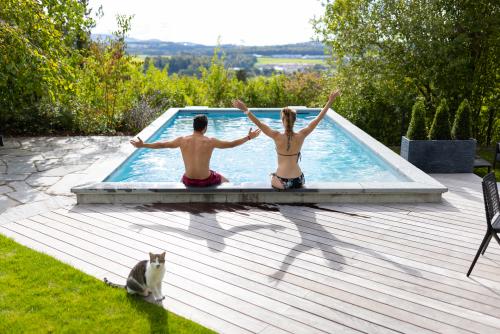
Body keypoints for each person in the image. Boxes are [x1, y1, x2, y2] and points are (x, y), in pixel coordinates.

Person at [232, 89, 341, 190]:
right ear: (295, 120)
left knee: (271, 175)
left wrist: (245, 110)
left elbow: (258, 123)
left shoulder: (276, 136)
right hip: (299, 180)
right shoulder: (302, 134)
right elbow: (318, 118)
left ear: (282, 120)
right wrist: (330, 101)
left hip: (282, 182)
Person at [130, 114, 261, 187]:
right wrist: (249, 137)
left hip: (189, 180)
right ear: (205, 128)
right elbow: (231, 144)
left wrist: (143, 145)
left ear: (193, 127)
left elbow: (162, 145)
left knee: (182, 178)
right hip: (206, 180)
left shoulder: (182, 140)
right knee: (227, 181)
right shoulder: (210, 141)